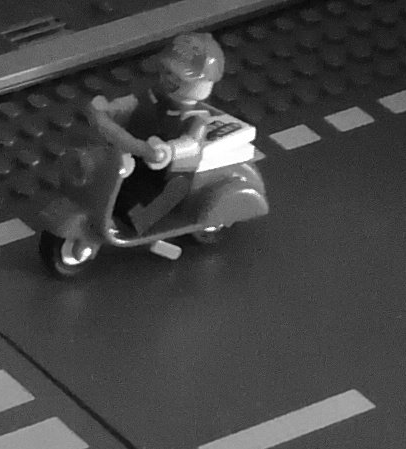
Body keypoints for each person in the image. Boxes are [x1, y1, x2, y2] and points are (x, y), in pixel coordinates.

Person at [46, 33, 262, 274]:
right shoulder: (153, 97)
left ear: (202, 84)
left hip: (171, 177)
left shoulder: (195, 120)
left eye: (178, 77)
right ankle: (108, 216)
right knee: (108, 182)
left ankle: (138, 230)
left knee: (138, 213)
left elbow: (191, 144)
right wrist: (108, 109)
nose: (169, 79)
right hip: (140, 161)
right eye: (167, 72)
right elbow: (131, 103)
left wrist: (168, 150)